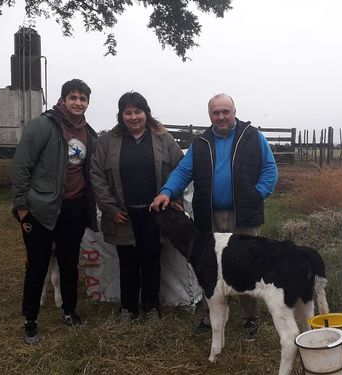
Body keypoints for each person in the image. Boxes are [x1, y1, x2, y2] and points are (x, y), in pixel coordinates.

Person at [150, 93, 278, 341]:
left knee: (247, 268)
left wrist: (257, 194)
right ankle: (213, 316)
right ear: (210, 115)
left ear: (234, 111)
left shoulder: (252, 137)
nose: (220, 117)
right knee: (211, 269)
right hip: (210, 218)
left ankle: (250, 319)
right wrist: (166, 192)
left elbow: (270, 169)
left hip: (244, 217)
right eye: (215, 113)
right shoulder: (200, 143)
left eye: (225, 111)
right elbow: (183, 172)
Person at [12, 79, 98, 345]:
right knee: (37, 265)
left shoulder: (90, 134)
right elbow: (21, 166)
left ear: (87, 103)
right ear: (62, 100)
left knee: (69, 263)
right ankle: (30, 321)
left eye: (83, 99)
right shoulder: (43, 126)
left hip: (73, 208)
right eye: (73, 97)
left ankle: (70, 311)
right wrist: (21, 207)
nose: (78, 103)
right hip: (40, 208)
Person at [90, 91, 183, 323]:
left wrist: (170, 197)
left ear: (146, 113)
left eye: (138, 111)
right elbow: (97, 176)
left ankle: (151, 307)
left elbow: (179, 170)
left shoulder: (164, 139)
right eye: (128, 112)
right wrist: (111, 209)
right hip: (123, 215)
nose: (133, 117)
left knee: (152, 261)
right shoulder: (107, 141)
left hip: (155, 214)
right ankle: (128, 308)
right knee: (128, 263)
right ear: (121, 115)